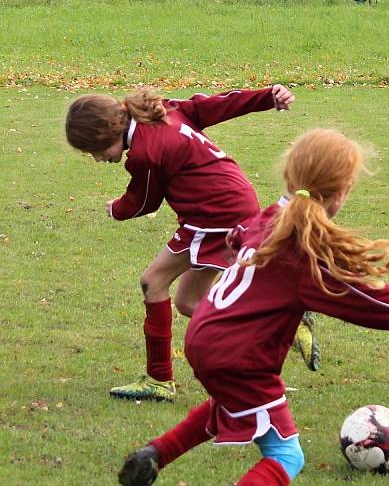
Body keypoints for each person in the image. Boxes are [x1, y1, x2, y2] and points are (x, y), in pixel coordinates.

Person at [117, 128, 389, 486]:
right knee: (287, 455)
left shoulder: (270, 218)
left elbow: (240, 234)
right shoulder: (304, 251)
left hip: (205, 335)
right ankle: (159, 455)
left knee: (229, 405)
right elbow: (369, 302)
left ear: (290, 175)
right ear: (342, 192)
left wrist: (236, 243)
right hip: (238, 356)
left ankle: (155, 454)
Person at [65, 85, 305, 401]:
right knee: (189, 303)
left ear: (101, 135)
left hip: (213, 213)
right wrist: (265, 96)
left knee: (153, 282)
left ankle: (160, 380)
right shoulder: (163, 111)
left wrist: (116, 209)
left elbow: (143, 203)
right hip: (231, 199)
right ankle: (266, 339)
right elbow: (217, 105)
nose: (96, 159)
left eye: (92, 151)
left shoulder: (144, 153)